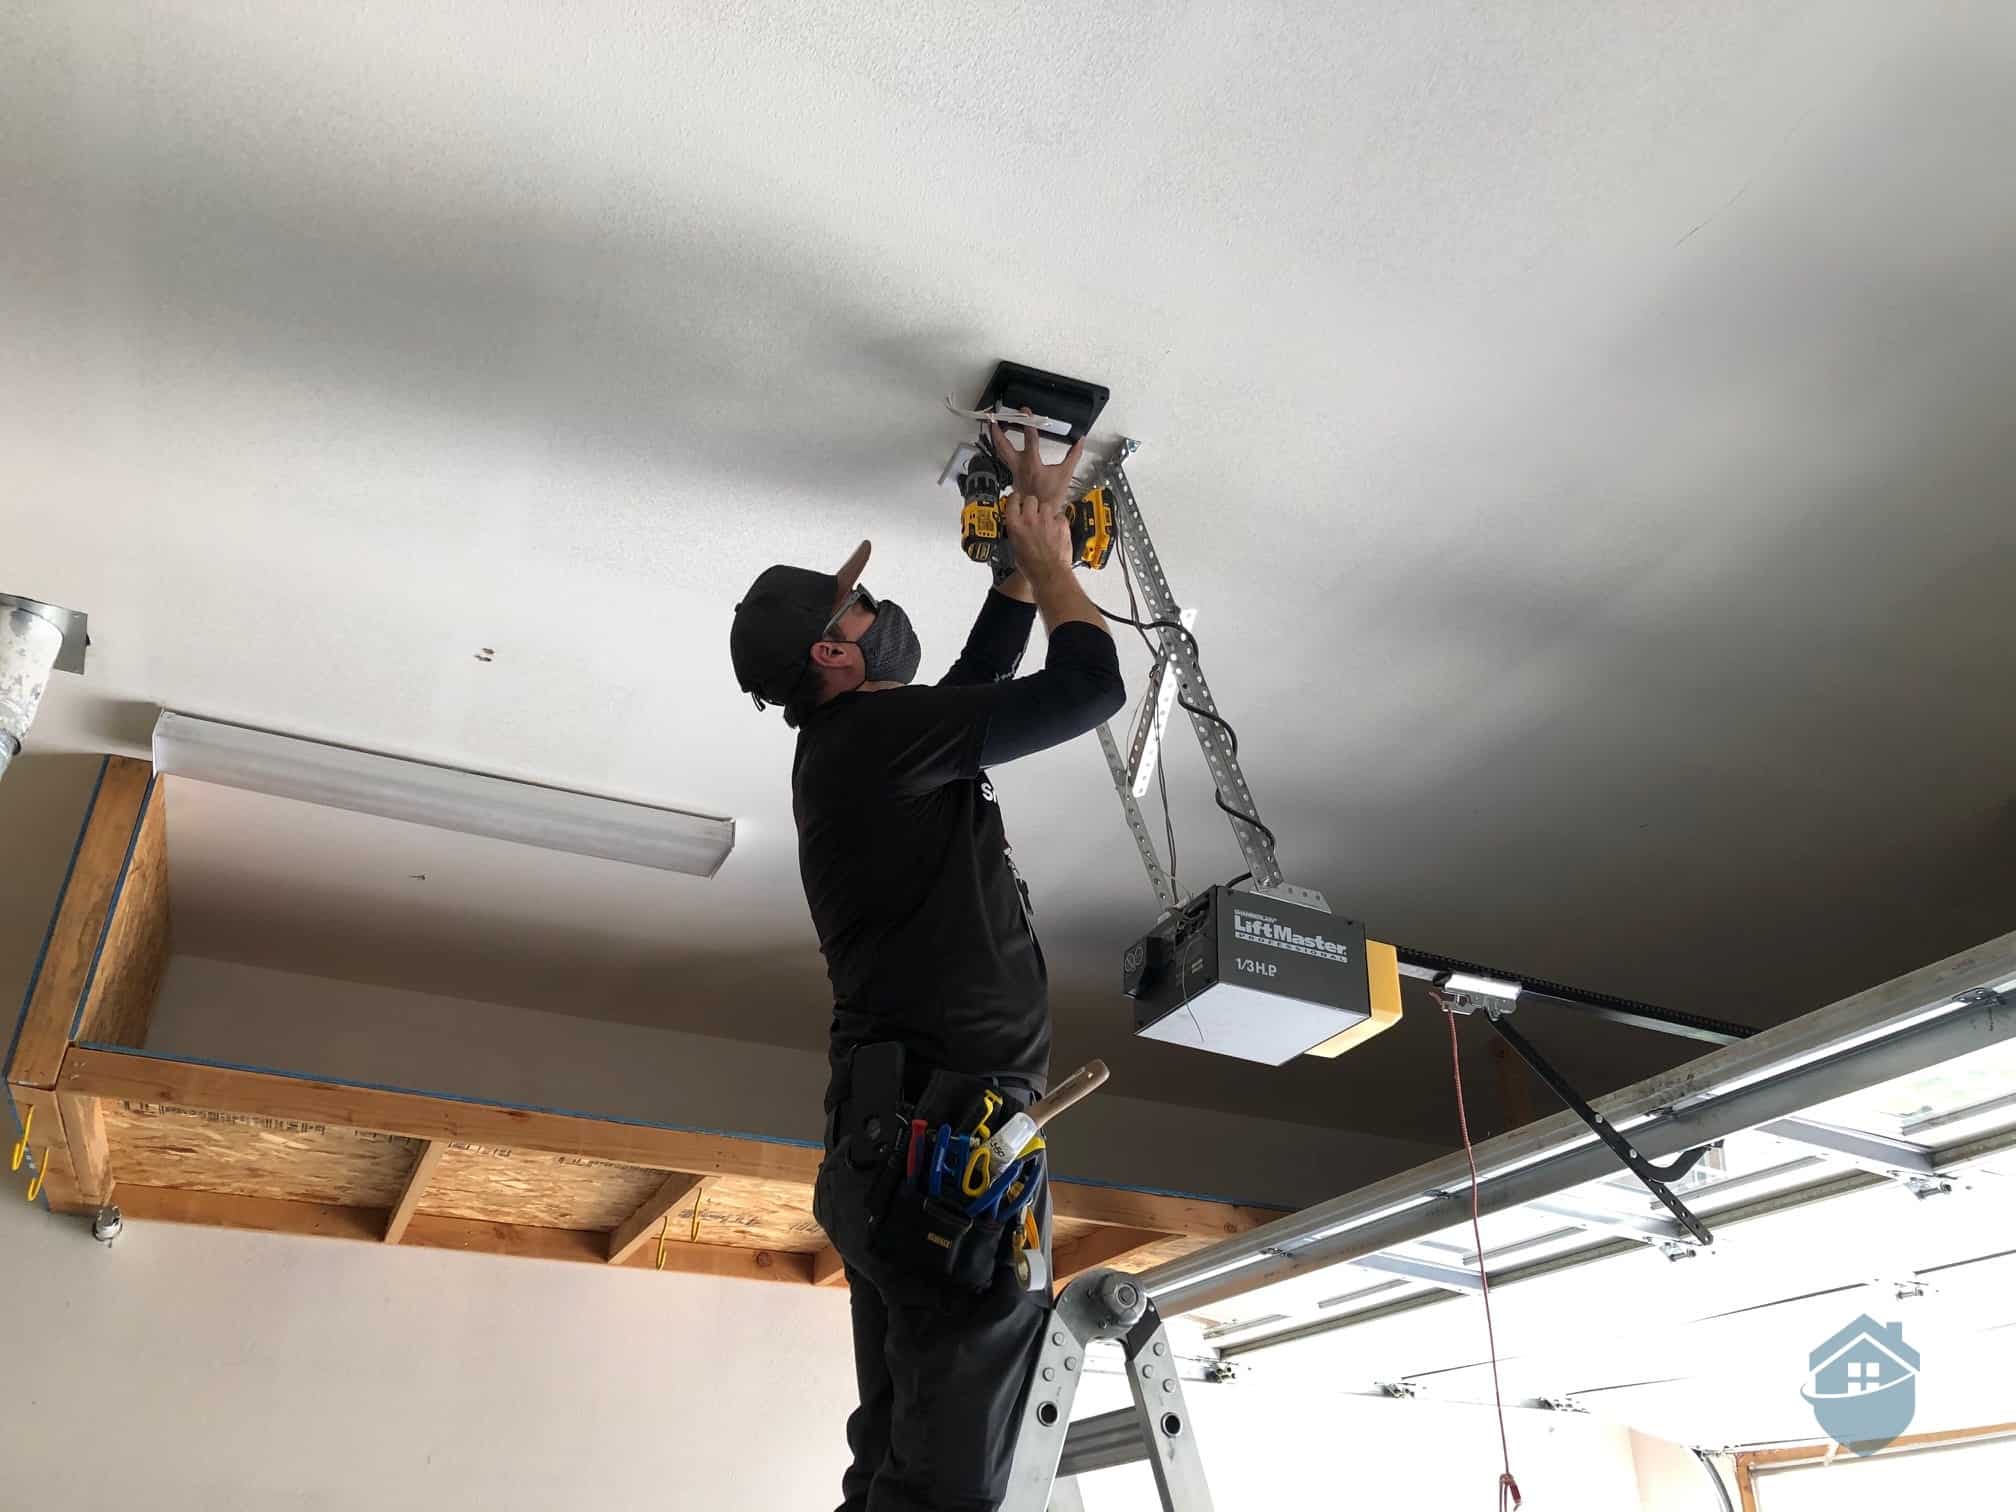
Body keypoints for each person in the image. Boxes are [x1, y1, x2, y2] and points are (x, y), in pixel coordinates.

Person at [729, 418, 1126, 1512]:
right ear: (830, 652)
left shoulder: (858, 749)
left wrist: (1014, 579)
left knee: (920, 1465)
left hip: (917, 1145)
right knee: (937, 1480)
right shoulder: (865, 748)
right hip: (922, 1144)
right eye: (855, 609)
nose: (873, 610)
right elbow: (1089, 691)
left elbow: (966, 690)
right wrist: (1048, 564)